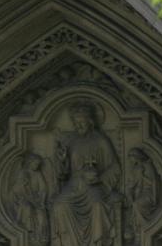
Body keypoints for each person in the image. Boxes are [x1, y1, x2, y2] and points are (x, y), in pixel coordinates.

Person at [51, 103, 122, 246]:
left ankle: (98, 242)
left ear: (90, 122)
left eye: (82, 122)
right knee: (60, 205)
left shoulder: (101, 141)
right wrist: (62, 161)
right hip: (74, 184)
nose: (79, 126)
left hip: (93, 185)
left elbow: (115, 167)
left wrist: (99, 178)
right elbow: (61, 173)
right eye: (76, 123)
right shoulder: (70, 140)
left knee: (97, 204)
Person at [12, 154, 50, 246]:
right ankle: (29, 233)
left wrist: (41, 201)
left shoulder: (38, 174)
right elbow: (16, 189)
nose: (37, 166)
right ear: (30, 162)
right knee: (26, 206)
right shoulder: (22, 172)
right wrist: (24, 184)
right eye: (36, 164)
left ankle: (39, 237)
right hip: (24, 197)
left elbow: (44, 189)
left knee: (41, 216)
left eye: (38, 165)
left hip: (36, 199)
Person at [126, 148, 158, 239]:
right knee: (133, 204)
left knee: (137, 204)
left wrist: (142, 176)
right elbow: (130, 185)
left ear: (136, 157)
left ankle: (145, 226)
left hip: (148, 192)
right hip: (139, 193)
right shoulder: (135, 168)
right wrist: (129, 195)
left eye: (131, 157)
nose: (130, 160)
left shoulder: (148, 166)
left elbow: (153, 182)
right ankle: (138, 230)